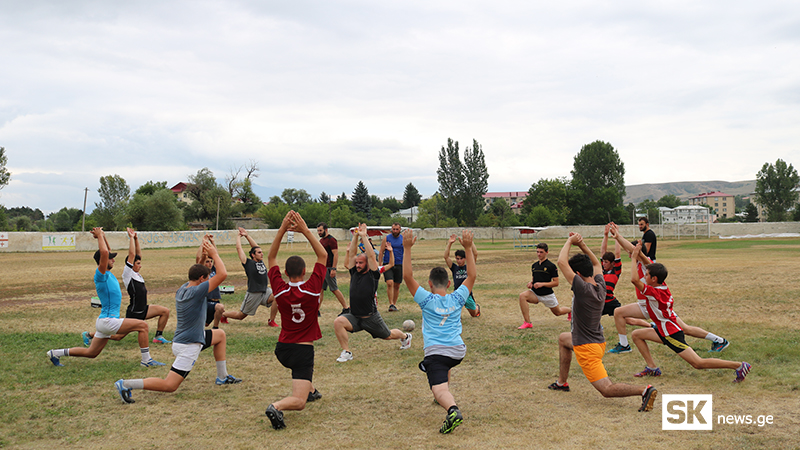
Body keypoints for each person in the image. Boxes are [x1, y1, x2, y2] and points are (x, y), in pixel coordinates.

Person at [114, 236, 242, 404]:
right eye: (207, 276)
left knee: (220, 335)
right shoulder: (197, 291)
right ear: (203, 279)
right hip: (189, 346)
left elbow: (199, 269)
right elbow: (223, 274)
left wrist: (204, 256)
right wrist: (214, 253)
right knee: (170, 385)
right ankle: (126, 384)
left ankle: (222, 376)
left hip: (182, 340)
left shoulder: (183, 288)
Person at [548, 233, 658, 413]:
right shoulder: (600, 284)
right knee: (563, 339)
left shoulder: (582, 289)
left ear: (577, 275)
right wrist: (582, 245)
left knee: (606, 389)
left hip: (587, 347)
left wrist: (569, 241)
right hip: (596, 340)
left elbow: (561, 263)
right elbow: (597, 264)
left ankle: (643, 391)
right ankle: (562, 382)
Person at [628, 241, 751, 383]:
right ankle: (652, 368)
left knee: (698, 363)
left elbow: (633, 279)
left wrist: (633, 258)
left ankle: (739, 366)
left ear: (654, 279)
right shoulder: (661, 285)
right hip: (664, 330)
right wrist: (639, 255)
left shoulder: (654, 293)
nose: (645, 276)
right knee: (637, 334)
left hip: (671, 334)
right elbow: (648, 265)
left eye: (647, 275)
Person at [47, 227, 165, 368]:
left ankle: (55, 353)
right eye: (110, 259)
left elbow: (106, 252)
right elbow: (104, 253)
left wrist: (102, 235)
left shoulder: (108, 273)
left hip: (104, 321)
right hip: (109, 320)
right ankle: (146, 360)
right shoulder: (100, 275)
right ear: (103, 261)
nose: (113, 260)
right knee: (143, 325)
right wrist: (99, 237)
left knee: (92, 353)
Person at [606, 224, 730, 354]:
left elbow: (632, 250)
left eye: (631, 251)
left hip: (656, 307)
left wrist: (618, 237)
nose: (629, 253)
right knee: (618, 312)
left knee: (685, 329)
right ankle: (624, 345)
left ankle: (719, 340)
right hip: (646, 305)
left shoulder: (645, 262)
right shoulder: (637, 263)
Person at [403, 228, 475, 434]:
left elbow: (407, 276)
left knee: (439, 387)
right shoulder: (457, 297)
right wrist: (468, 248)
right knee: (444, 366)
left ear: (429, 284)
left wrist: (407, 248)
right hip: (458, 350)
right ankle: (442, 394)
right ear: (450, 283)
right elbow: (472, 275)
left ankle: (452, 410)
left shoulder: (426, 300)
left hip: (437, 352)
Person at [264, 211, 327, 430]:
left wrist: (282, 230)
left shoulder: (279, 291)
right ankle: (276, 406)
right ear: (305, 271)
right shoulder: (312, 290)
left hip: (282, 349)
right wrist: (306, 231)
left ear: (284, 272)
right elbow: (323, 256)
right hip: (301, 351)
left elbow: (270, 258)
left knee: (304, 381)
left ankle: (311, 389)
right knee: (298, 402)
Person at [333, 223, 411, 363]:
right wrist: (356, 235)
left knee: (388, 335)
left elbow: (370, 255)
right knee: (338, 321)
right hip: (355, 316)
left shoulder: (373, 274)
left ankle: (405, 337)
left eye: (360, 263)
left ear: (367, 264)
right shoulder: (354, 272)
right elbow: (352, 253)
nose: (357, 265)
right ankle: (347, 352)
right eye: (356, 263)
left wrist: (364, 235)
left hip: (370, 317)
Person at [82, 227, 172, 346]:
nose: (113, 260)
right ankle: (90, 334)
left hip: (143, 308)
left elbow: (110, 252)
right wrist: (129, 238)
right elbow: (130, 254)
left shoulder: (136, 274)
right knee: (118, 337)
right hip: (134, 311)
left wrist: (134, 238)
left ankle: (158, 336)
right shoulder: (127, 273)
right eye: (137, 263)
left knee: (165, 311)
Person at [223, 227, 279, 327]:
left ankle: (271, 320)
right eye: (259, 253)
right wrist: (239, 237)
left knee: (278, 296)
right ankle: (224, 315)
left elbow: (255, 247)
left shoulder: (260, 261)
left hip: (265, 291)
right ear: (253, 255)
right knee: (241, 316)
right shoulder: (248, 263)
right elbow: (239, 249)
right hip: (254, 293)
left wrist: (247, 235)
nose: (262, 254)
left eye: (261, 252)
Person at [517, 242, 570, 329]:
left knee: (558, 312)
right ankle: (527, 322)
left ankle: (570, 310)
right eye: (537, 252)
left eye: (541, 252)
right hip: (535, 294)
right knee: (522, 296)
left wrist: (542, 284)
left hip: (547, 295)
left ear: (547, 252)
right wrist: (531, 283)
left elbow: (556, 283)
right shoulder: (534, 266)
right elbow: (534, 279)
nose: (539, 254)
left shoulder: (551, 266)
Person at [443, 234, 481, 318]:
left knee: (474, 314)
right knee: (451, 315)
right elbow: (446, 257)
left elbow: (475, 254)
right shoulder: (454, 268)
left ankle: (477, 307)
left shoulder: (469, 267)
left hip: (467, 295)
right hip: (457, 294)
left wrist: (470, 243)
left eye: (461, 259)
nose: (459, 261)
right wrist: (449, 243)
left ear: (466, 258)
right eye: (457, 259)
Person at [317, 222, 349, 315]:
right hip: (323, 268)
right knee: (320, 289)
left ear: (326, 230)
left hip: (329, 268)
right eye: (318, 231)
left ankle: (346, 308)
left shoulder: (331, 240)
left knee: (334, 289)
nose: (319, 232)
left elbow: (335, 254)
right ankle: (316, 310)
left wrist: (333, 268)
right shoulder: (321, 241)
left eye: (320, 230)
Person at [196, 235, 226, 329]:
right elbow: (198, 257)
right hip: (206, 300)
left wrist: (212, 242)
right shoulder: (201, 271)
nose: (210, 263)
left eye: (210, 262)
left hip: (216, 299)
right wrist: (203, 242)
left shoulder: (213, 270)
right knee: (220, 308)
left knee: (205, 324)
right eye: (207, 261)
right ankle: (215, 328)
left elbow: (216, 255)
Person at [378, 222, 404, 312]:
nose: (395, 231)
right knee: (389, 283)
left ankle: (394, 304)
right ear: (391, 230)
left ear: (400, 230)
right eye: (394, 229)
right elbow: (381, 251)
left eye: (397, 229)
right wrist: (380, 264)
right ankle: (391, 304)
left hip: (399, 263)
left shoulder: (403, 239)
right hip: (388, 263)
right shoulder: (387, 238)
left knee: (397, 285)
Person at [600, 224, 622, 317]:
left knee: (625, 317)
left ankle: (649, 325)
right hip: (600, 301)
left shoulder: (616, 271)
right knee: (591, 318)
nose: (603, 264)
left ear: (612, 263)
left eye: (606, 262)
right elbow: (602, 251)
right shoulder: (603, 270)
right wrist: (605, 235)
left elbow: (617, 253)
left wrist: (616, 235)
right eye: (603, 262)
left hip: (611, 302)